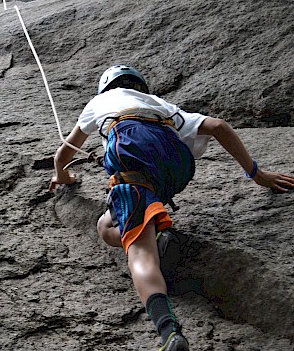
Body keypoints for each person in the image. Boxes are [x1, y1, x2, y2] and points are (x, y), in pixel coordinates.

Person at [49, 65, 294, 350]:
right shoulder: (160, 105)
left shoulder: (99, 102)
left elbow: (63, 153)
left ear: (105, 88)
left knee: (134, 249)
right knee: (107, 224)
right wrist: (257, 174)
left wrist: (63, 177)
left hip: (133, 149)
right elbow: (218, 126)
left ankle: (170, 334)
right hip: (176, 164)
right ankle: (153, 229)